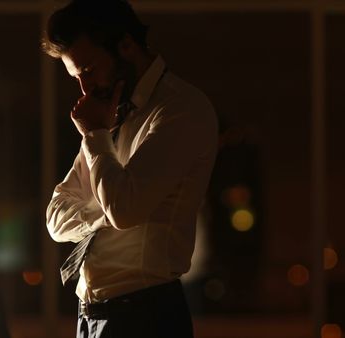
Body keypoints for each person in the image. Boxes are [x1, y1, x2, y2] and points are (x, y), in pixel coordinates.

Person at [43, 0, 217, 337]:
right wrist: (101, 214)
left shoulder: (180, 110)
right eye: (76, 76)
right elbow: (55, 216)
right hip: (91, 317)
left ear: (126, 45)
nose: (85, 88)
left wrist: (94, 135)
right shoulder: (111, 115)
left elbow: (123, 208)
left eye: (89, 70)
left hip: (145, 317)